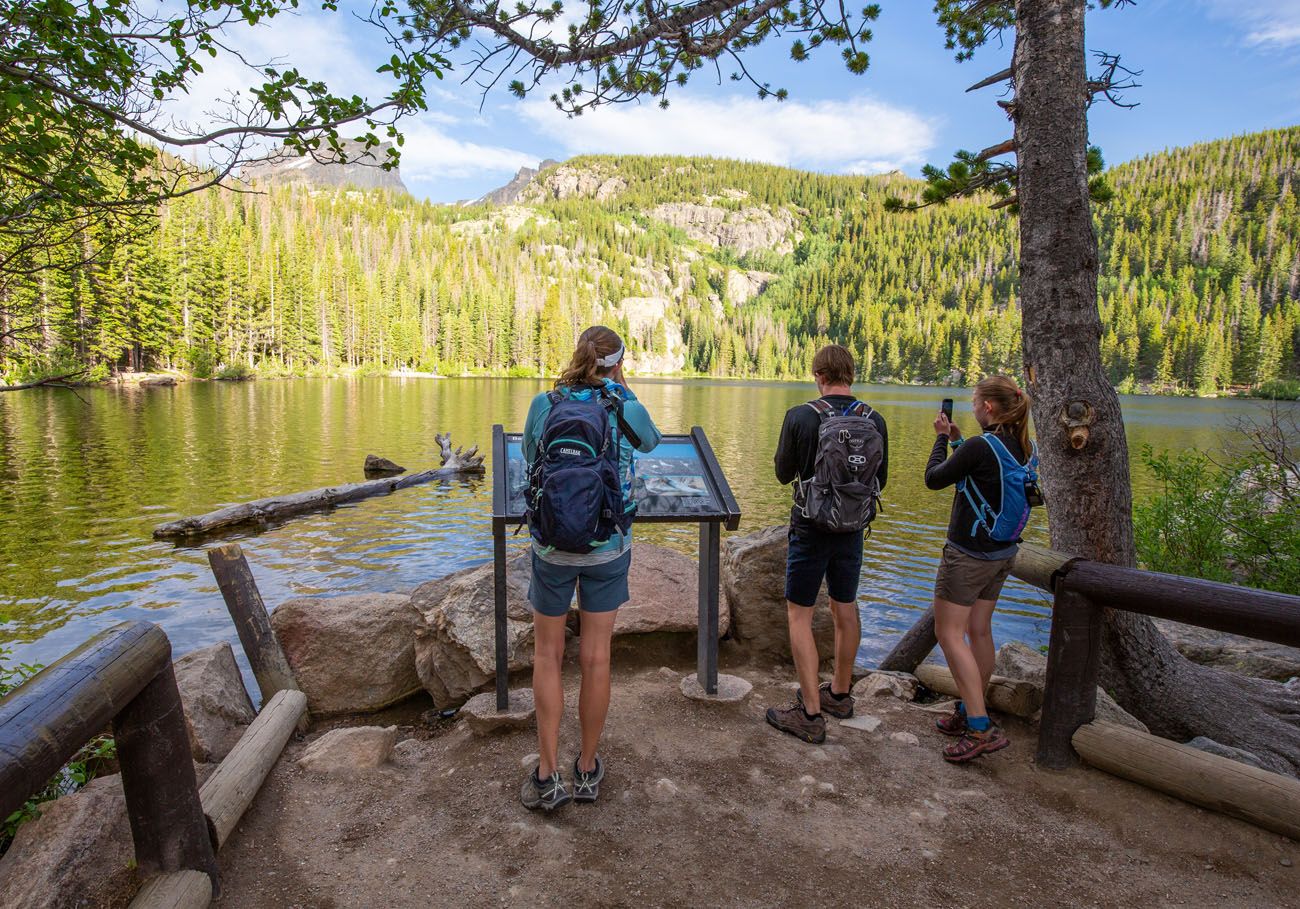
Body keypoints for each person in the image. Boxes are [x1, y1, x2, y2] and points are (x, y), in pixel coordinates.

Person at [519, 325, 661, 811]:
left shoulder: (546, 403)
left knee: (547, 655)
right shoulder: (625, 406)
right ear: (617, 362)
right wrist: (625, 390)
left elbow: (527, 454)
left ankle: (545, 773)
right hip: (608, 548)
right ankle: (585, 770)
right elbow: (650, 443)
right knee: (597, 657)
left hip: (552, 548)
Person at [767, 344, 888, 744]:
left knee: (799, 615)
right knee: (845, 607)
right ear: (850, 376)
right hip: (852, 529)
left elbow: (784, 474)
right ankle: (839, 693)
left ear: (819, 375)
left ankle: (810, 713)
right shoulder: (875, 420)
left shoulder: (801, 416)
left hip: (810, 527)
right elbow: (879, 482)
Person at [924, 375, 1038, 763]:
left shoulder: (980, 445)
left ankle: (978, 725)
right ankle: (968, 709)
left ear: (988, 407)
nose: (972, 406)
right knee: (979, 630)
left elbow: (934, 479)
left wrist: (941, 438)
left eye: (975, 400)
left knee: (948, 632)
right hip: (1002, 554)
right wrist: (958, 440)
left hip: (968, 555)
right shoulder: (1025, 448)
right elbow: (981, 477)